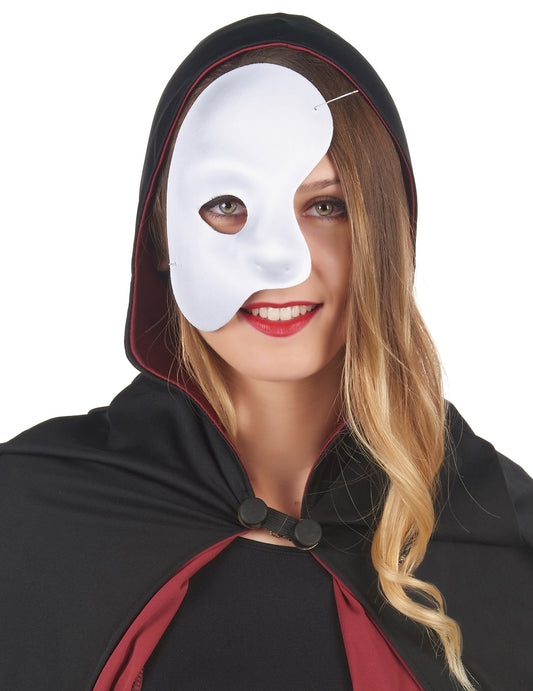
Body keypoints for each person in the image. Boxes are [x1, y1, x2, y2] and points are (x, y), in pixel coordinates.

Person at [0, 12, 531, 691]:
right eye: (227, 204)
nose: (281, 261)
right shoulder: (27, 513)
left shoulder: (500, 528)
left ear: (386, 237)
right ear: (160, 237)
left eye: (327, 206)